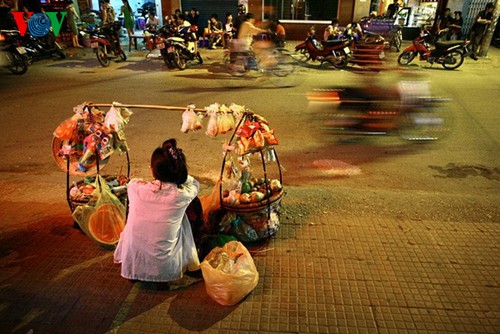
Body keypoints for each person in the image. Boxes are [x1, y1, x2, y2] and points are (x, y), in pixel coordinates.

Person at [113, 139, 201, 283]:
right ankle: (191, 264)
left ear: (153, 170)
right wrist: (179, 175)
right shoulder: (181, 195)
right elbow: (194, 183)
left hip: (135, 263)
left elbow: (133, 181)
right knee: (183, 219)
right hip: (166, 268)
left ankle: (136, 268)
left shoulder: (135, 188)